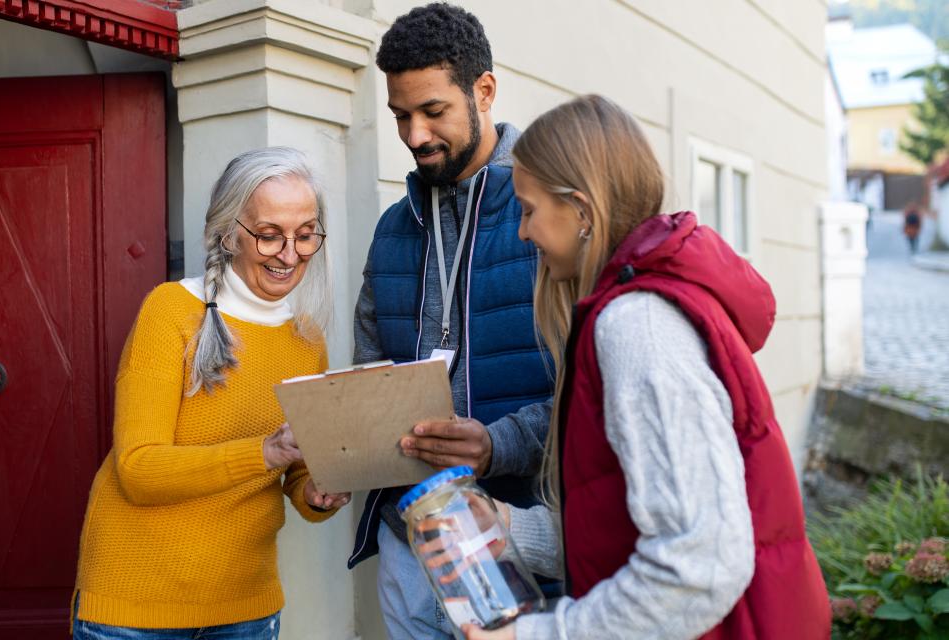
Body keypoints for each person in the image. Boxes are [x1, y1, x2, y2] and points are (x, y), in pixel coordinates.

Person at [460, 95, 831, 639]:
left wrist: (537, 635)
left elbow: (698, 567)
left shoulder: (639, 327)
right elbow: (624, 519)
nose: (523, 232)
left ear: (581, 211)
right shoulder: (637, 308)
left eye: (529, 209)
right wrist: (512, 527)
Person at [71, 147, 350, 639]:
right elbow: (138, 470)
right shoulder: (169, 311)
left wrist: (316, 494)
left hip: (246, 605)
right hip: (135, 605)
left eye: (306, 235)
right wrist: (264, 452)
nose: (290, 255)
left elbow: (296, 471)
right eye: (269, 236)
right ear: (228, 233)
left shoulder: (307, 340)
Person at [347, 4, 554, 639]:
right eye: (400, 116)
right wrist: (343, 453)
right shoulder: (392, 229)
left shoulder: (548, 211)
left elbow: (594, 390)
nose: (413, 135)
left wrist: (498, 444)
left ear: (483, 91)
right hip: (409, 544)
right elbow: (368, 369)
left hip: (518, 534)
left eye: (432, 111)